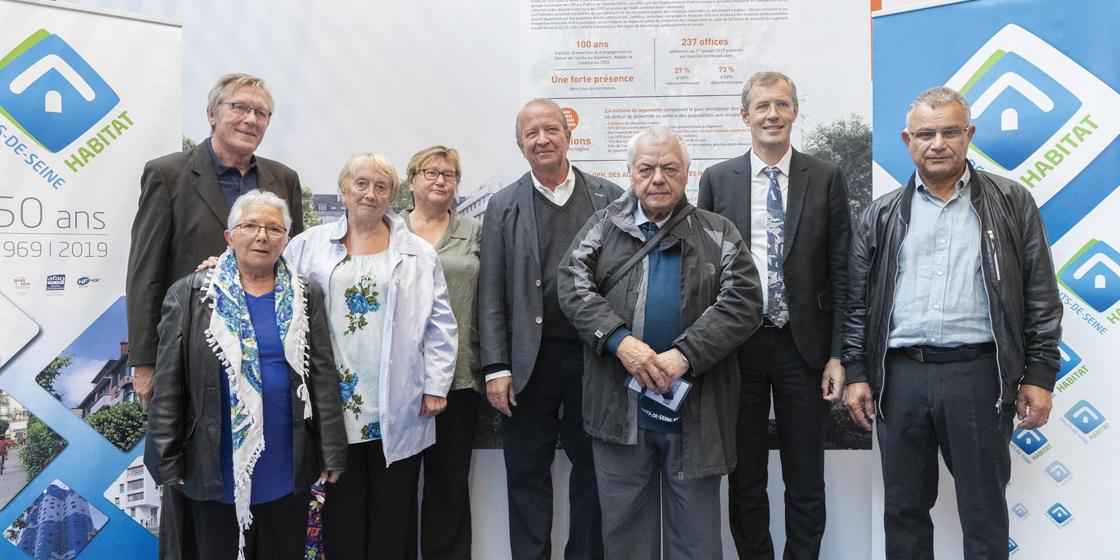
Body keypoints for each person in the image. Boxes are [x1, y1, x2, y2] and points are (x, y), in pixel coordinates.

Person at [842, 86, 1062, 560]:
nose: (937, 143)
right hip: (900, 378)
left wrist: (1040, 375)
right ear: (907, 140)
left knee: (983, 510)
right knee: (904, 509)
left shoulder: (1011, 202)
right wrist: (858, 372)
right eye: (925, 133)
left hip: (978, 375)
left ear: (969, 134)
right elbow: (857, 304)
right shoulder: (880, 213)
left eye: (949, 131)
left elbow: (1041, 295)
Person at [558, 126, 761, 559]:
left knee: (696, 539)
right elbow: (572, 286)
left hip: (698, 412)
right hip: (619, 407)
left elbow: (744, 302)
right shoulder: (602, 226)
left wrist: (685, 354)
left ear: (687, 173)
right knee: (625, 535)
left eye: (670, 168)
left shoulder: (718, 231)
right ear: (630, 173)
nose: (657, 178)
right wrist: (619, 341)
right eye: (646, 168)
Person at [128, 73, 303, 560]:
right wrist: (145, 363)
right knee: (195, 503)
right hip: (193, 367)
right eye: (240, 108)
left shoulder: (283, 179)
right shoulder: (168, 173)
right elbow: (145, 271)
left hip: (267, 365)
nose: (251, 119)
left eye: (261, 112)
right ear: (212, 114)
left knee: (272, 504)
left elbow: (290, 268)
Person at [698, 71, 851, 560]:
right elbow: (703, 276)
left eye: (782, 105)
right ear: (745, 115)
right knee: (745, 478)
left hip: (802, 348)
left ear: (795, 112)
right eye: (762, 106)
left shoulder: (826, 177)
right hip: (737, 348)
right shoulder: (717, 180)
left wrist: (836, 355)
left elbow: (842, 272)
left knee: (806, 477)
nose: (772, 114)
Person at [145, 190, 347, 560]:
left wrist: (332, 450)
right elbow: (169, 385)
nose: (262, 236)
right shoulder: (191, 294)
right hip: (212, 464)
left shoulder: (306, 295)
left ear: (286, 239)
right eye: (250, 225)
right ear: (229, 235)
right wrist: (164, 457)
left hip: (286, 463)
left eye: (274, 228)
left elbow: (322, 377)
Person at [284, 152, 457, 560]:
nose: (370, 193)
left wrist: (435, 385)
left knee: (393, 517)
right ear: (344, 189)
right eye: (361, 183)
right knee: (340, 517)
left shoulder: (417, 252)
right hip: (333, 406)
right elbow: (266, 286)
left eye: (381, 187)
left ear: (392, 196)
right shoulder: (306, 247)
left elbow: (441, 324)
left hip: (398, 403)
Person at [479, 98, 623, 559]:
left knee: (594, 472)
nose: (541, 140)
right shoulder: (503, 205)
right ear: (521, 145)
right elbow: (492, 291)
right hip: (527, 362)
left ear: (568, 135)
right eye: (531, 134)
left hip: (593, 360)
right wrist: (496, 366)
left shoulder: (610, 197)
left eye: (550, 130)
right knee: (525, 474)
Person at [399, 145, 482, 559]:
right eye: (430, 172)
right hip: (397, 385)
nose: (440, 180)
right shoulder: (387, 231)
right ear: (411, 180)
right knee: (394, 491)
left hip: (458, 380)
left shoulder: (475, 232)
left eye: (449, 174)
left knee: (448, 488)